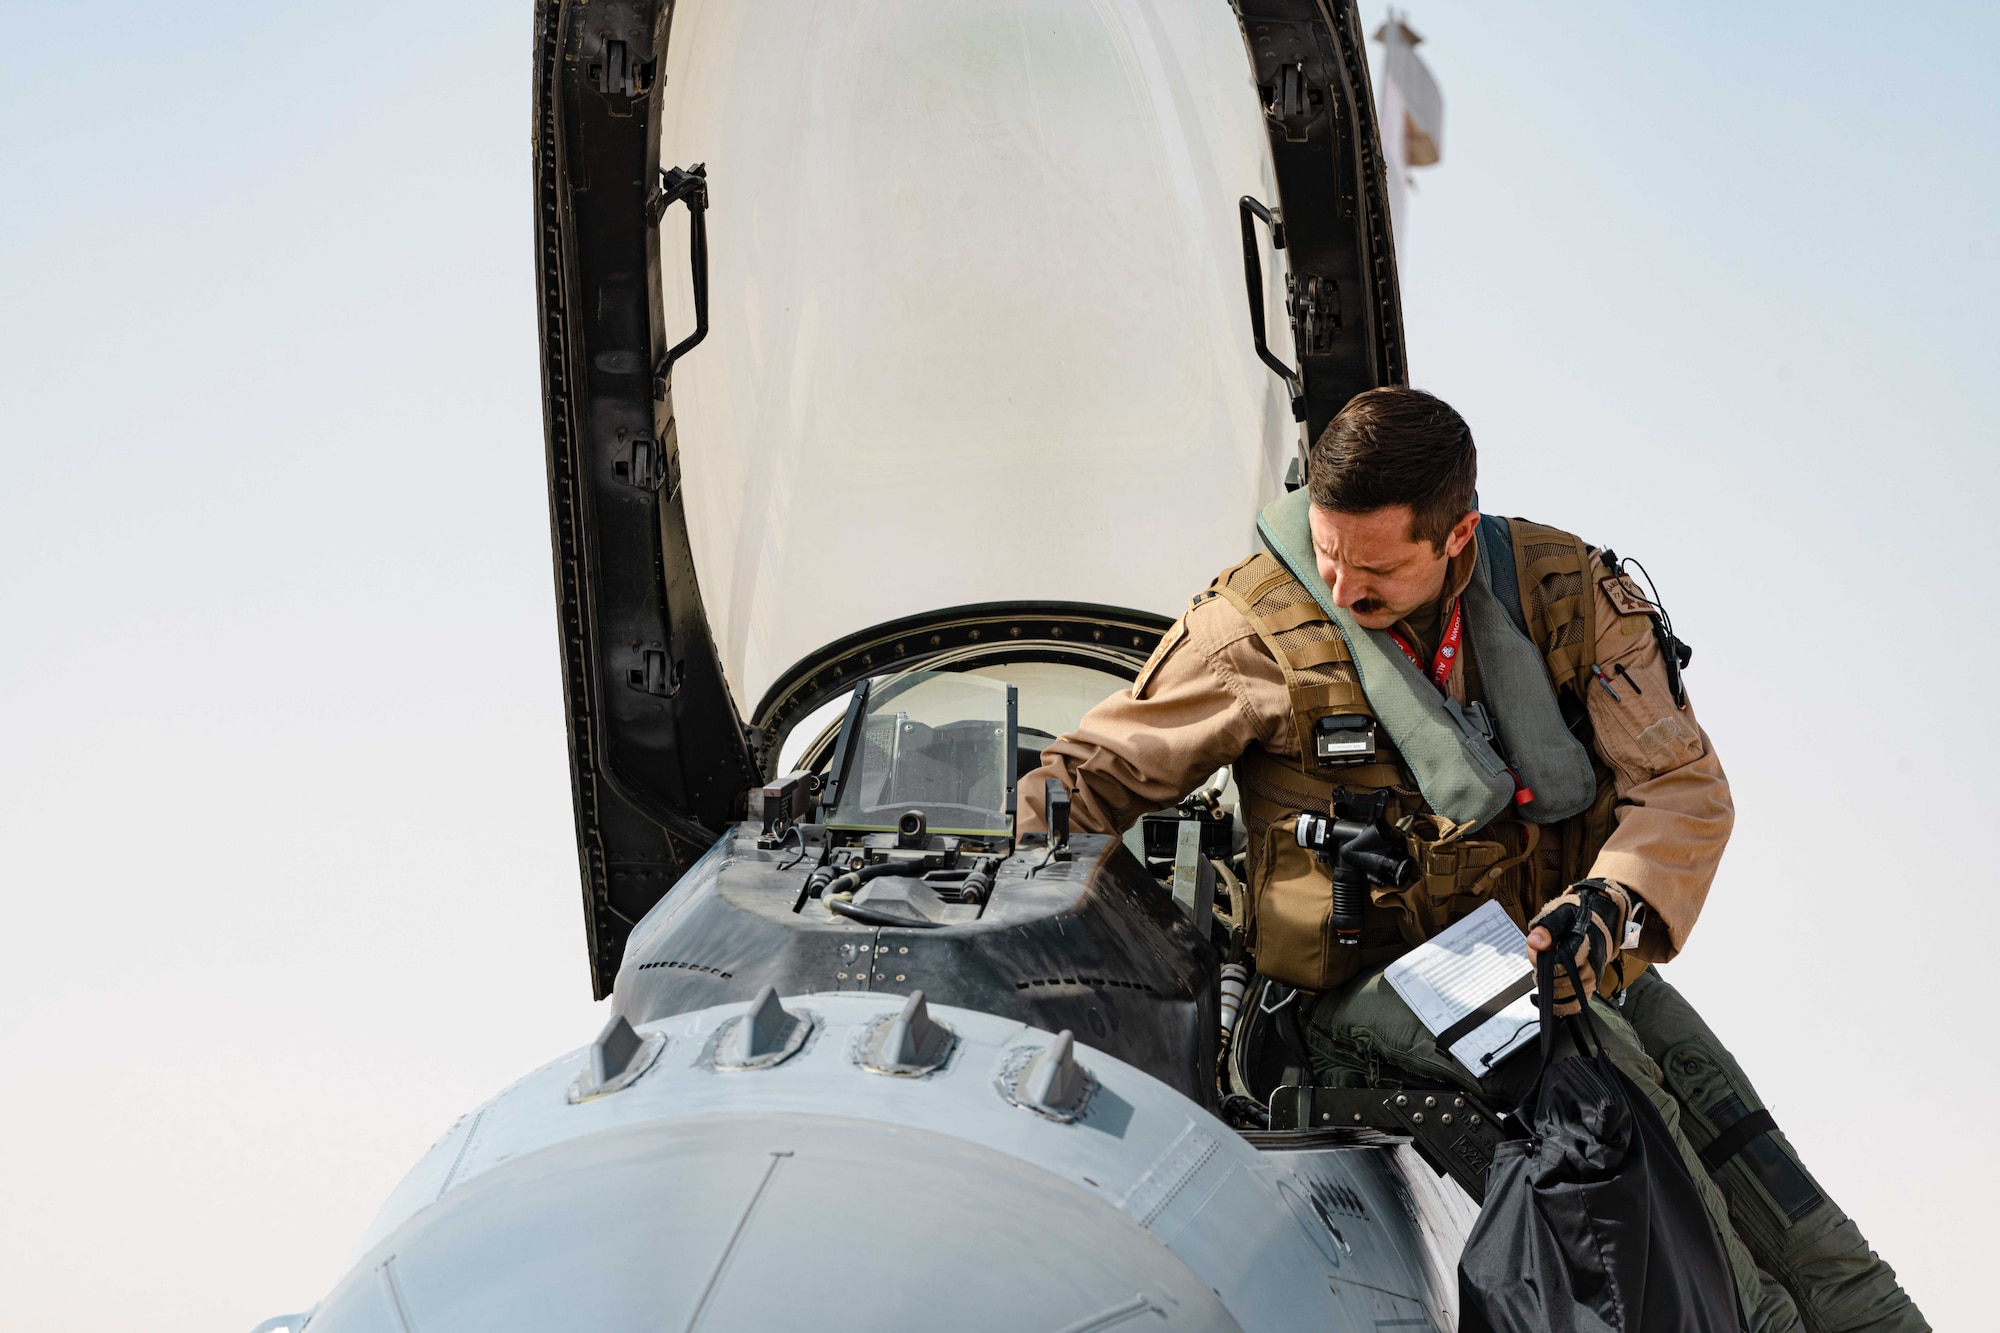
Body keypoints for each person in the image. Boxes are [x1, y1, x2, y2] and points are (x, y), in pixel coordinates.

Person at [1017, 387, 1925, 1332]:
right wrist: (1024, 853)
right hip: (1366, 988)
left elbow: (1682, 786)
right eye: (1326, 551)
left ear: (1456, 538)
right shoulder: (1257, 625)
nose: (1340, 586)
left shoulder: (1564, 595)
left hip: (1561, 955)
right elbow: (1092, 774)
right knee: (1629, 1121)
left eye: (1373, 566)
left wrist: (1611, 903)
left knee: (1756, 1158)